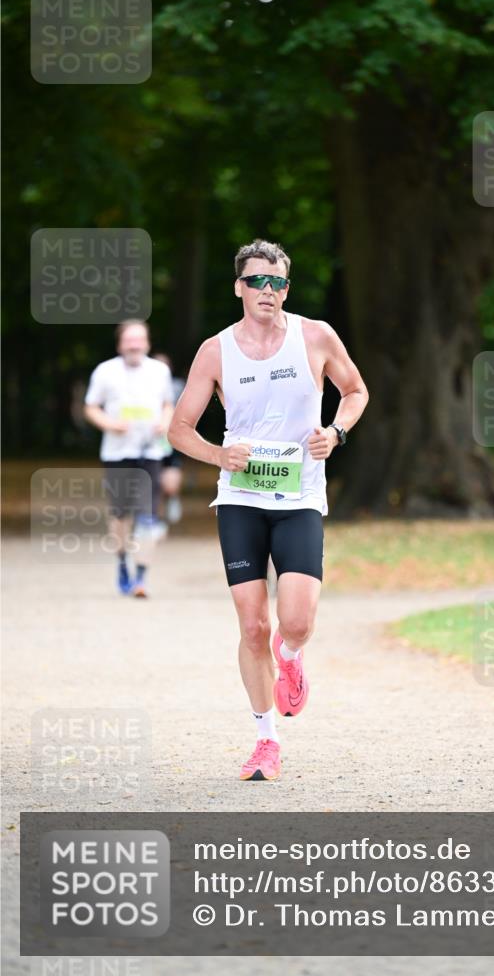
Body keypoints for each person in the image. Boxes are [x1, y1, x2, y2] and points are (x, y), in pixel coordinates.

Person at [168, 239, 369, 781]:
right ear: (239, 287)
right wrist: (219, 454)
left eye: (277, 282)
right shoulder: (216, 351)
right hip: (240, 498)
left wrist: (335, 431)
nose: (268, 291)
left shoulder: (316, 336)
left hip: (300, 496)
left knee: (296, 622)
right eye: (257, 281)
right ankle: (265, 740)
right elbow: (178, 429)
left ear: (287, 289)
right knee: (253, 624)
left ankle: (293, 655)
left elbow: (355, 391)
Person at [84, 320, 174, 598]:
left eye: (139, 340)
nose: (134, 345)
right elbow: (90, 407)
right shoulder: (105, 371)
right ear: (120, 344)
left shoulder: (160, 371)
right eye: (129, 340)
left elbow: (168, 404)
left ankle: (142, 578)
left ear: (147, 343)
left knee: (148, 516)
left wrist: (165, 422)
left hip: (151, 452)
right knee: (121, 514)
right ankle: (123, 562)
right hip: (117, 453)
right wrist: (110, 424)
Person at [154, 352, 186, 525]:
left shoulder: (178, 387)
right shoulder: (141, 387)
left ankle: (173, 497)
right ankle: (154, 517)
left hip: (171, 438)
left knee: (170, 481)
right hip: (149, 438)